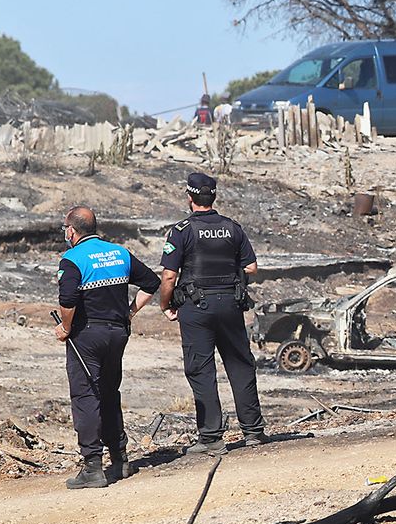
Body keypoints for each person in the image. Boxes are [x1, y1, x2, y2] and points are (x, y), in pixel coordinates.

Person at [158, 172, 267, 454]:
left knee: (201, 369)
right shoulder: (232, 228)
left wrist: (165, 305)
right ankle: (253, 431)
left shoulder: (181, 231)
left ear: (190, 198)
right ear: (214, 197)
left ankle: (211, 438)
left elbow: (169, 276)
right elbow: (251, 267)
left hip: (196, 307)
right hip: (230, 304)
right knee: (240, 364)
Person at [55, 206, 161, 488]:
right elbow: (152, 282)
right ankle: (120, 459)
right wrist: (129, 312)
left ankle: (92, 467)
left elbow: (67, 300)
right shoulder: (119, 253)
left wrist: (65, 328)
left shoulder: (72, 259)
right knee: (110, 392)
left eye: (65, 229)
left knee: (86, 396)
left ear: (71, 230)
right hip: (117, 333)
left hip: (87, 336)